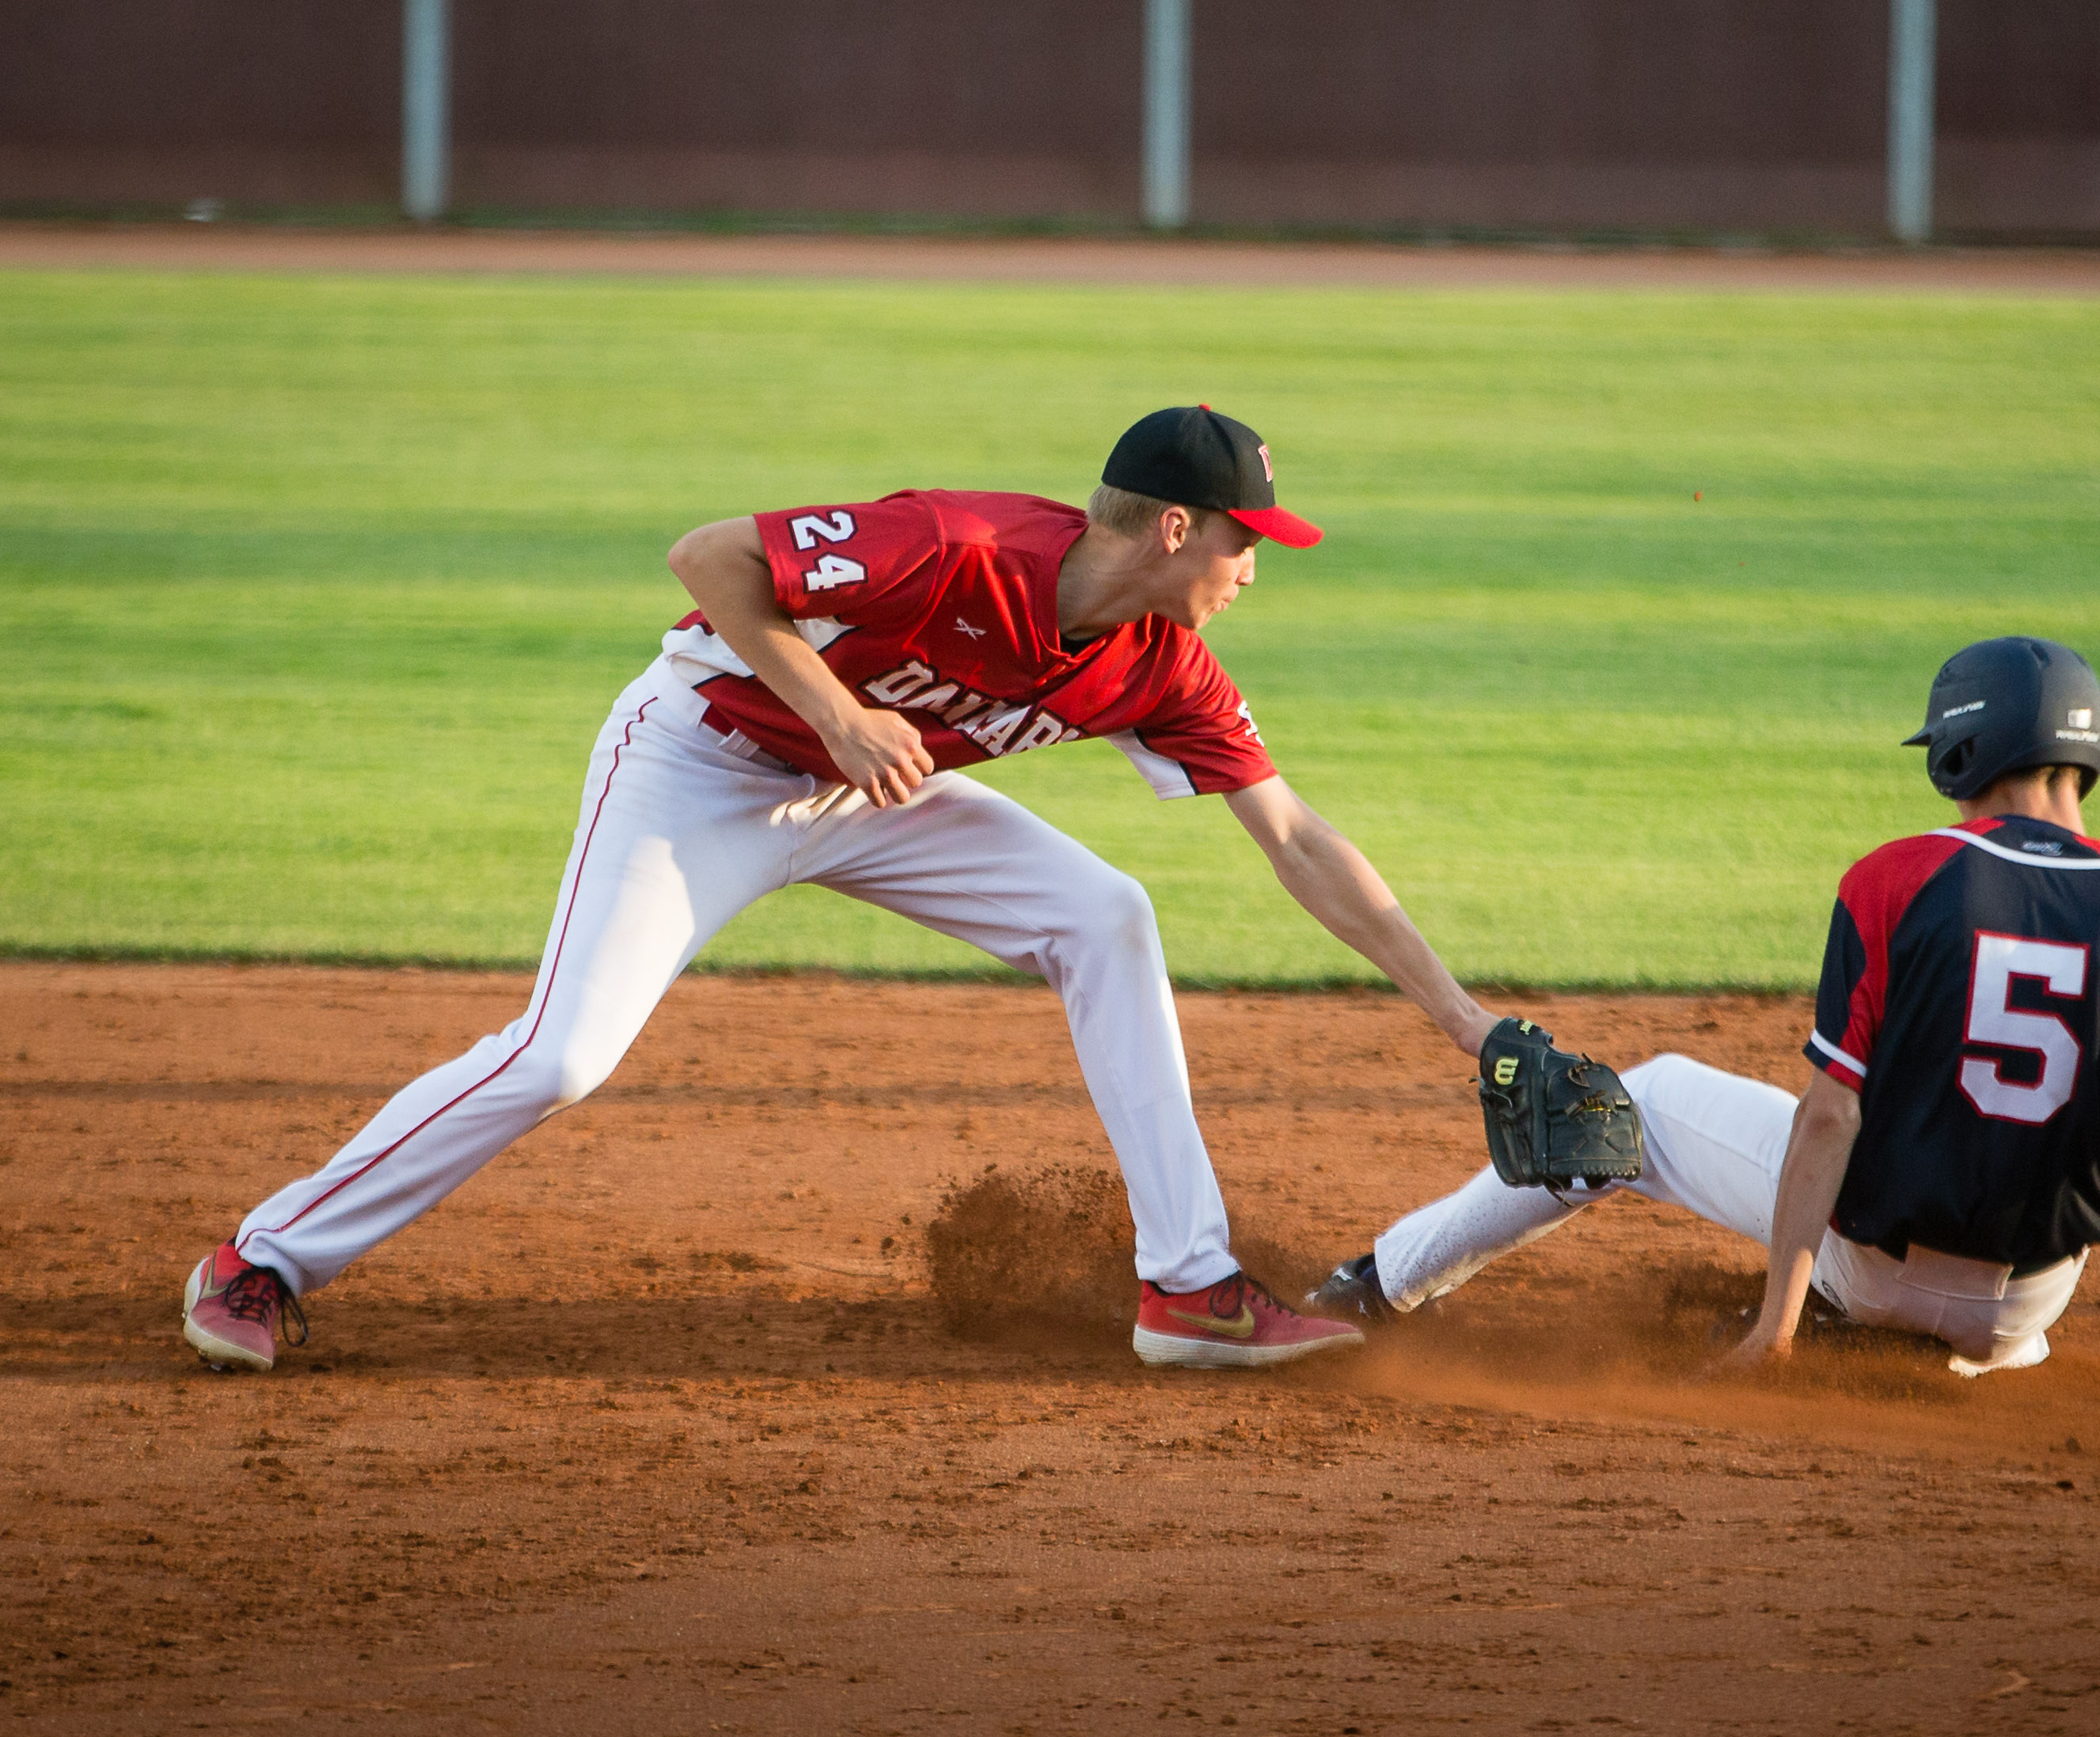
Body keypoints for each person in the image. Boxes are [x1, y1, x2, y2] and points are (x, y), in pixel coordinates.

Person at [184, 406, 1506, 1375]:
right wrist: (839, 711)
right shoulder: (955, 543)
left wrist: (1465, 1019)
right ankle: (263, 1258)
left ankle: (1191, 1287)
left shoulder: (1164, 663)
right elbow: (709, 557)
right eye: (1244, 538)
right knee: (563, 1056)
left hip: (871, 798)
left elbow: (1297, 838)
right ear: (1175, 528)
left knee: (1106, 913)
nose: (1256, 565)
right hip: (701, 763)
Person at [1309, 638, 2100, 1420]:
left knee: (1644, 1097)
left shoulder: (1898, 882)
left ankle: (1375, 1287)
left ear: (1965, 750)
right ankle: (1946, 1348)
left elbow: (1829, 1117)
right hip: (2026, 1305)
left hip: (1870, 1270)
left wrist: (1773, 1330)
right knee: (2010, 1242)